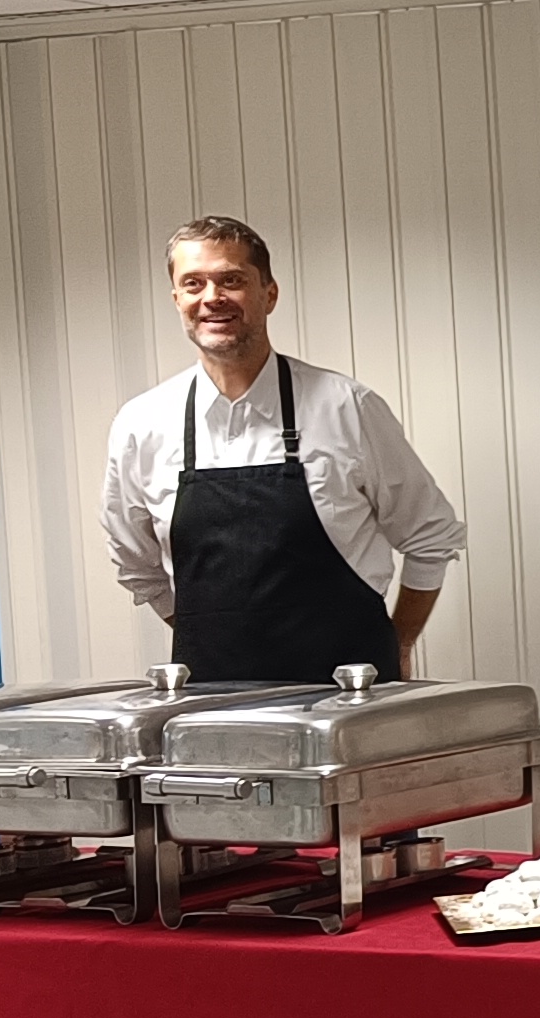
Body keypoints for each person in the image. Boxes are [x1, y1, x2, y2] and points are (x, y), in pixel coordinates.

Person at [99, 216, 464, 683]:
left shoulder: (346, 407)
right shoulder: (142, 425)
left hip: (350, 699)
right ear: (177, 299)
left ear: (269, 294)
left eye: (232, 280)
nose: (212, 297)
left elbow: (431, 536)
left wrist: (399, 643)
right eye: (193, 283)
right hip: (212, 704)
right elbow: (137, 566)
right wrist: (212, 637)